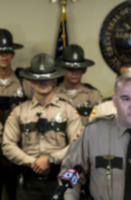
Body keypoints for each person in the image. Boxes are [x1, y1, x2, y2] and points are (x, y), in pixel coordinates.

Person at [2, 53, 82, 200]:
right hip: (27, 184)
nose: (42, 82)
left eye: (47, 79)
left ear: (54, 80)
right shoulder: (19, 112)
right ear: (31, 81)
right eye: (38, 79)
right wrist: (32, 161)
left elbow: (77, 145)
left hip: (60, 181)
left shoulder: (68, 110)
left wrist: (51, 159)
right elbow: (7, 145)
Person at [0, 28, 32, 200]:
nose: (3, 56)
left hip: (17, 148)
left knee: (17, 195)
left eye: (6, 52)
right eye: (0, 52)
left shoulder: (23, 82)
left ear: (12, 54)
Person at [54, 44, 102, 125]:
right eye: (70, 69)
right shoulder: (53, 94)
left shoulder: (93, 94)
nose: (74, 73)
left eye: (78, 69)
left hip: (85, 136)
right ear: (63, 69)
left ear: (84, 70)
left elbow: (100, 123)